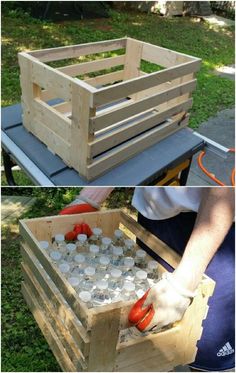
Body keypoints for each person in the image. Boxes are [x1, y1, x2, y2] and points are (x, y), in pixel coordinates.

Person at [60, 187, 235, 371]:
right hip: (156, 217)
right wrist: (92, 197)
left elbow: (225, 186)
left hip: (215, 232)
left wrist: (184, 284)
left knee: (207, 348)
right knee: (159, 339)